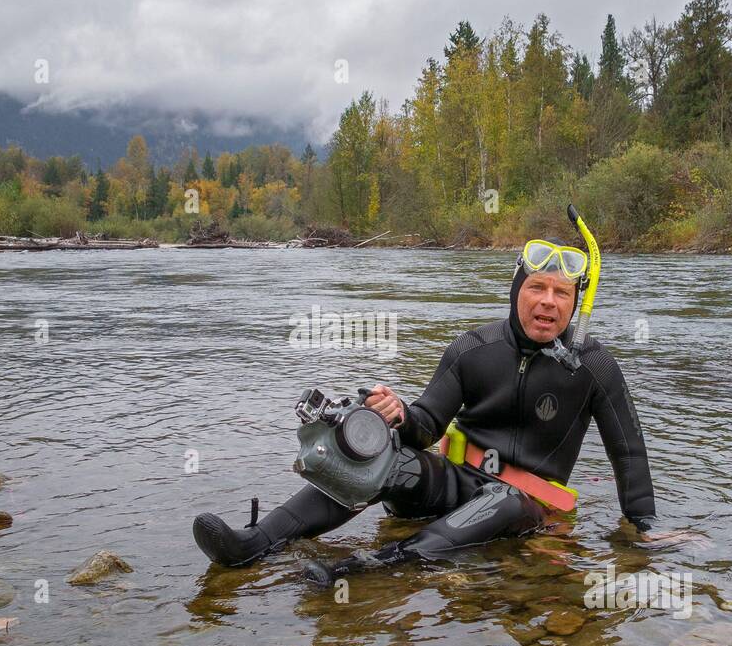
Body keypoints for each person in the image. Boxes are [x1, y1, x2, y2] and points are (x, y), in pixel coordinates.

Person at [192, 234, 655, 583]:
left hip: (526, 506)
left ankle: (372, 565)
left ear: (576, 303)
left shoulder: (594, 366)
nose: (548, 302)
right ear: (517, 290)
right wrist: (398, 414)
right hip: (455, 483)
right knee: (382, 460)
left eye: (561, 293)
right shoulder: (474, 348)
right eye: (537, 287)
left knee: (503, 498)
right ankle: (252, 544)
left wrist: (645, 529)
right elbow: (425, 428)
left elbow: (629, 454)